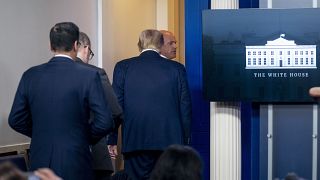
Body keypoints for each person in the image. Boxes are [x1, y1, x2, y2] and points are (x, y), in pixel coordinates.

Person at [8, 22, 115, 180]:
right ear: (75, 45)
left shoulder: (30, 75)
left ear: (50, 45)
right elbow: (105, 121)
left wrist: (41, 132)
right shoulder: (89, 76)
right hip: (76, 160)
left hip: (40, 161)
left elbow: (15, 119)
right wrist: (81, 136)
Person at [110, 29, 192, 179]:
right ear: (160, 45)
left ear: (139, 45)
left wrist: (112, 139)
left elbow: (116, 106)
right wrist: (185, 140)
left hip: (135, 142)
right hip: (170, 144)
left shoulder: (123, 67)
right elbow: (185, 108)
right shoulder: (177, 69)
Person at [76, 31, 123, 180]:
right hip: (92, 155)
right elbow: (115, 112)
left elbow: (19, 119)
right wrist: (92, 136)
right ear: (85, 48)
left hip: (48, 162)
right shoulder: (94, 73)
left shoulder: (38, 75)